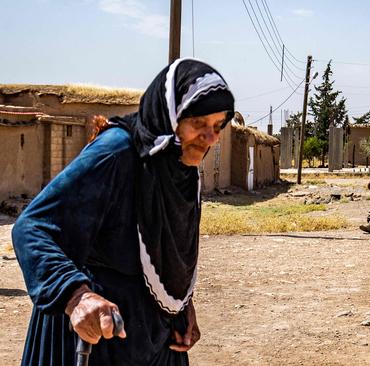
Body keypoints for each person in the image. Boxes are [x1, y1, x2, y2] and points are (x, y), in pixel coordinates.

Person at [11, 58, 235, 365]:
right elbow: (31, 227)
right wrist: (77, 297)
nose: (211, 139)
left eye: (218, 126)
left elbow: (171, 251)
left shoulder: (182, 170)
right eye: (199, 124)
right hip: (98, 335)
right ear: (169, 116)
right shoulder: (117, 152)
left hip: (155, 337)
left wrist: (182, 304)